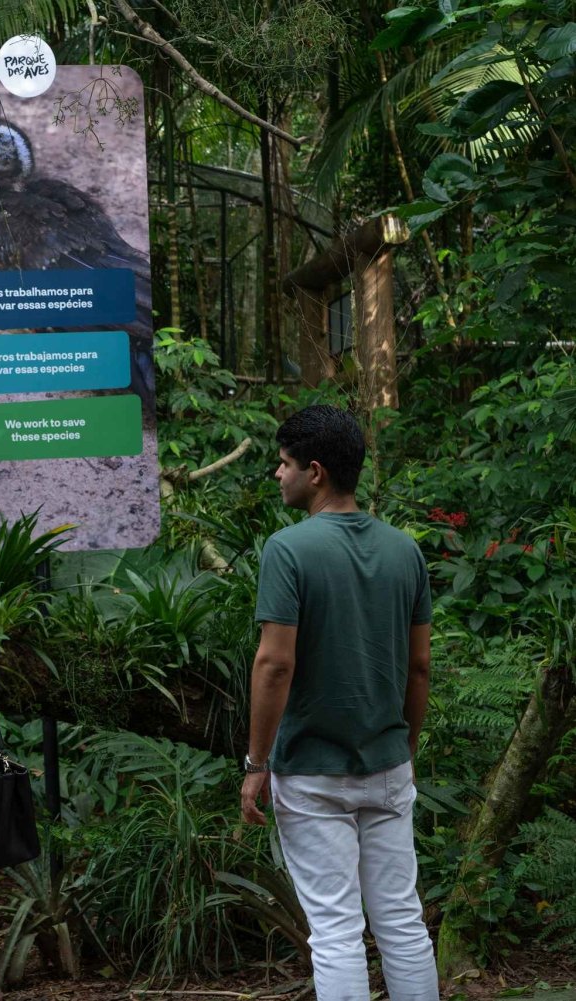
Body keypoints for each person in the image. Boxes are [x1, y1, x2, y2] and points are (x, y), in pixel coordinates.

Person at [241, 405, 439, 1001]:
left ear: (316, 472)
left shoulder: (289, 549)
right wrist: (403, 747)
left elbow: (275, 663)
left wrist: (256, 764)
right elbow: (421, 665)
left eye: (284, 463)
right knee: (402, 923)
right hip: (386, 763)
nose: (278, 474)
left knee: (335, 932)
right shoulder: (405, 551)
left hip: (311, 771)